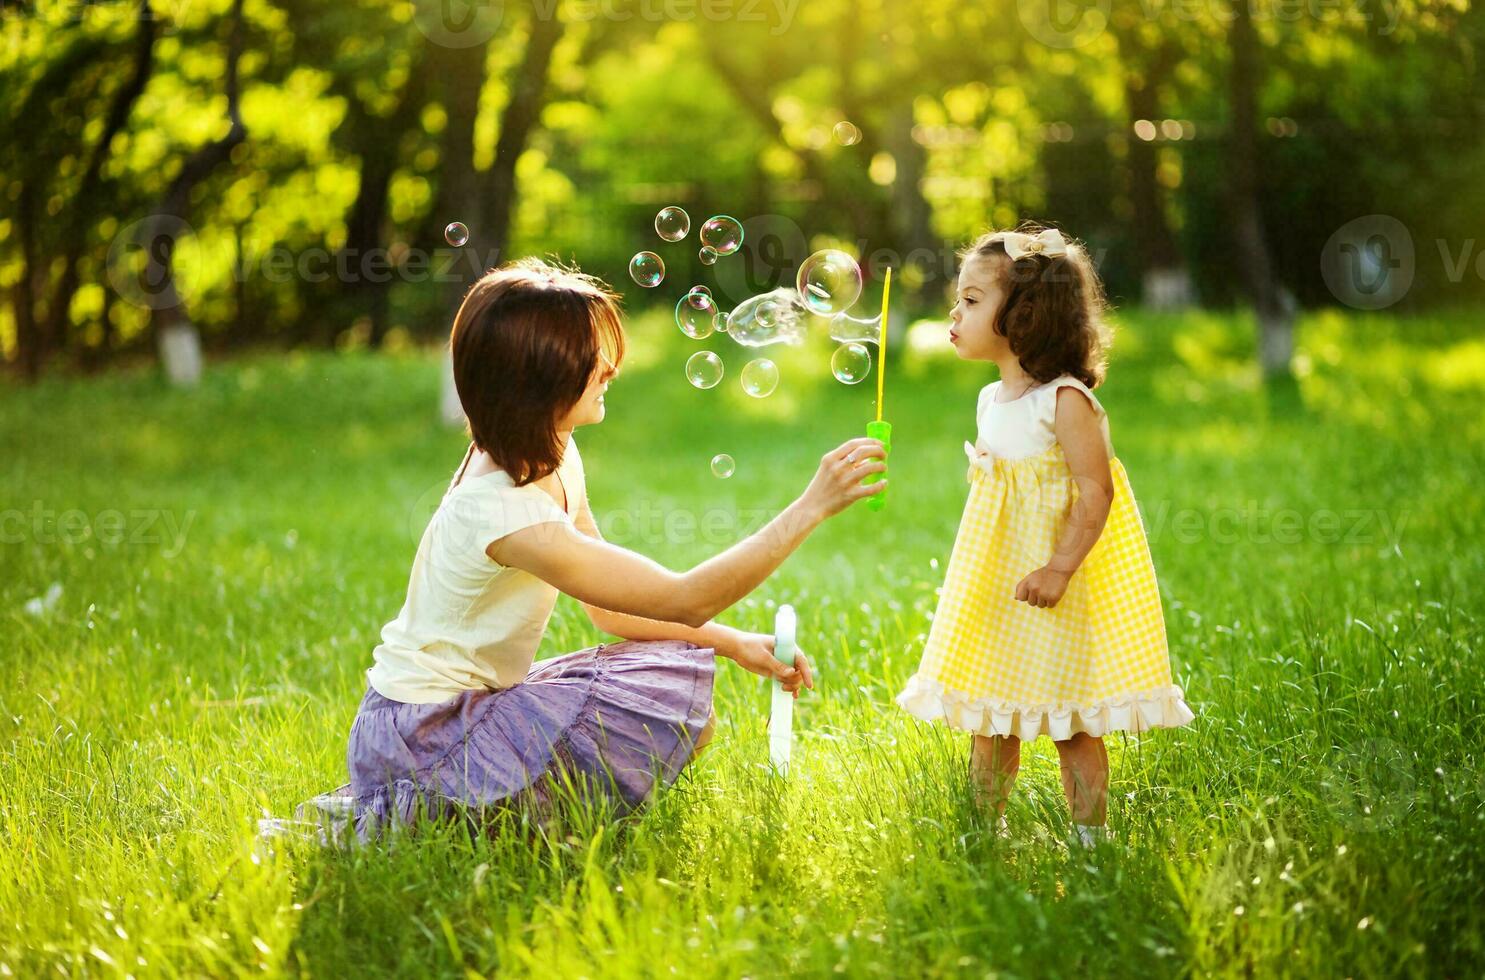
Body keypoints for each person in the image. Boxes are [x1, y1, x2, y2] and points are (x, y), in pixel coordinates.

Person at [348, 258, 887, 839]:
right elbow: (683, 599)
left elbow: (611, 611)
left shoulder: (551, 452)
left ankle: (519, 825)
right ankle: (461, 824)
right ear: (538, 380)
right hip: (424, 733)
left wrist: (732, 644)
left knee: (680, 713)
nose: (610, 369)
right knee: (637, 742)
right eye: (590, 359)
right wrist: (810, 507)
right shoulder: (503, 511)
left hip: (473, 702)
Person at [896, 225, 1195, 848]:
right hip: (1000, 587)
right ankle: (986, 832)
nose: (955, 313)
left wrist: (1060, 568)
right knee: (991, 717)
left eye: (973, 301)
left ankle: (1090, 842)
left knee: (1073, 725)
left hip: (1056, 589)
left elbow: (1096, 491)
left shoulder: (1064, 400)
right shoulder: (989, 399)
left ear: (1025, 314)